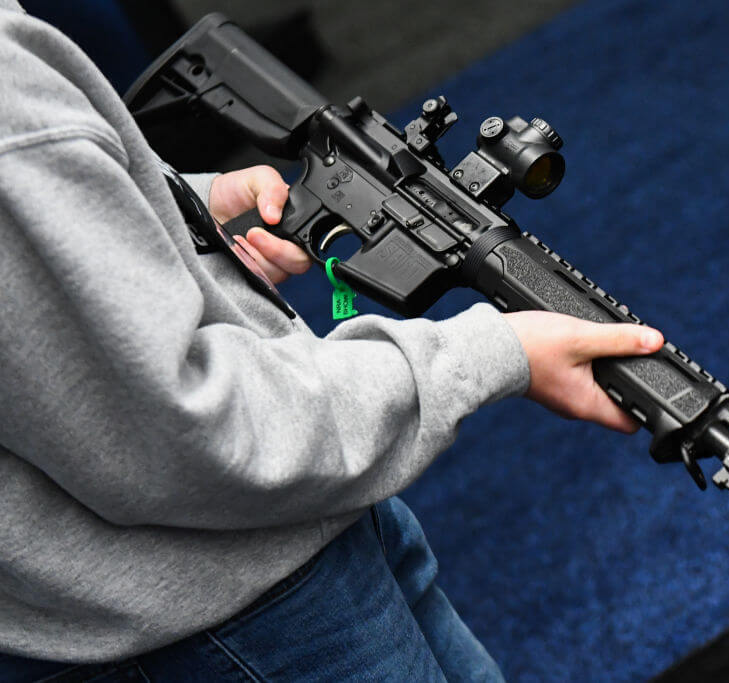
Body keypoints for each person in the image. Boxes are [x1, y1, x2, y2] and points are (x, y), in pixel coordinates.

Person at [0, 1, 664, 680]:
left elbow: (50, 239)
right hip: (221, 619)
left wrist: (188, 212)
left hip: (281, 541)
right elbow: (186, 430)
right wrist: (494, 354)